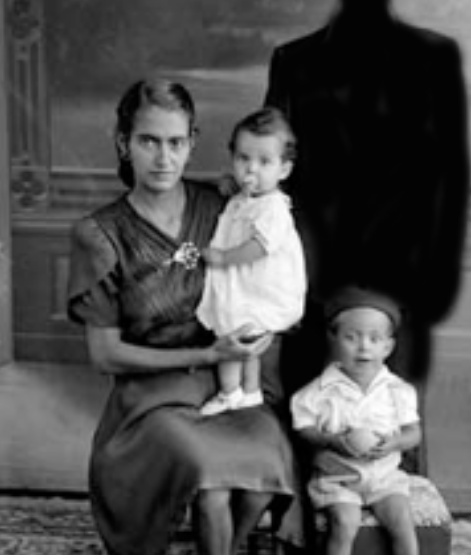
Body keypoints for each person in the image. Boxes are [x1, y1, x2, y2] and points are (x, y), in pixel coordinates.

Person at [66, 78, 303, 555]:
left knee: (265, 469)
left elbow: (267, 248)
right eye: (148, 141)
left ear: (192, 143)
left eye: (176, 142)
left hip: (223, 387)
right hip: (150, 397)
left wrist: (258, 331)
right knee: (210, 481)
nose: (163, 158)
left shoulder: (220, 206)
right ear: (123, 143)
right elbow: (104, 355)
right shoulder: (101, 235)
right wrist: (208, 354)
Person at [265, 0, 471, 389]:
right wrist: (275, 283)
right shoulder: (294, 63)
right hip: (309, 288)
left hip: (403, 291)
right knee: (304, 420)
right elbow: (269, 179)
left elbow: (452, 176)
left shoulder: (435, 60)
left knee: (393, 427)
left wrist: (439, 281)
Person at [291, 286, 421, 555]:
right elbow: (303, 428)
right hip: (338, 478)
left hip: (384, 477)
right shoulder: (318, 391)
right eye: (351, 337)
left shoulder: (397, 390)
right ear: (333, 340)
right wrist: (333, 441)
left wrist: (395, 443)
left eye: (375, 339)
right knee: (344, 523)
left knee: (402, 520)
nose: (364, 347)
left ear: (388, 347)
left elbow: (414, 432)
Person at [197, 108, 306, 416]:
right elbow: (240, 201)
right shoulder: (249, 198)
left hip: (258, 283)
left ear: (284, 170)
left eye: (264, 162)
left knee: (231, 334)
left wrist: (223, 258)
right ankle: (251, 391)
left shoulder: (273, 208)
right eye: (243, 158)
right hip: (246, 282)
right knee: (246, 336)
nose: (251, 169)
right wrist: (231, 186)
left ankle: (229, 392)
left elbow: (259, 247)